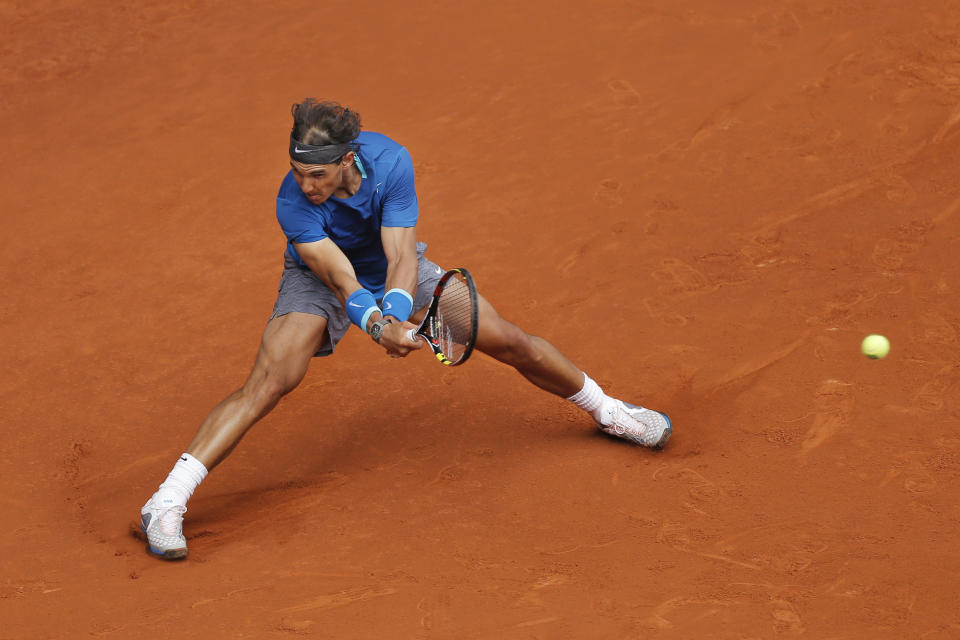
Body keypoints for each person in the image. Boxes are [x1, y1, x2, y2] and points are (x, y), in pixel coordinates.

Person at [139, 99, 672, 560]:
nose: (306, 185)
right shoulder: (293, 204)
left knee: (510, 341)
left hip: (397, 271)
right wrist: (376, 323)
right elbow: (338, 277)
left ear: (347, 159)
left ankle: (608, 411)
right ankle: (165, 501)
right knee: (271, 379)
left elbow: (399, 254)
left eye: (317, 175)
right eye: (297, 172)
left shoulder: (391, 161)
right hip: (320, 278)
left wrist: (395, 311)